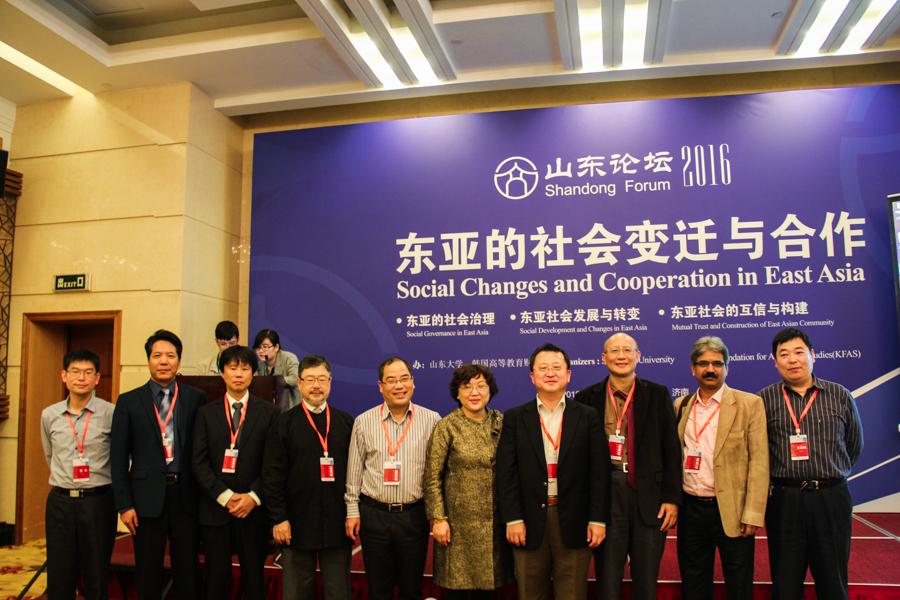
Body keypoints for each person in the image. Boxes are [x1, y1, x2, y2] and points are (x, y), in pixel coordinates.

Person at [496, 343, 609, 600]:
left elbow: (599, 473)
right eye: (543, 368)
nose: (550, 373)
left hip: (575, 518)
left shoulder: (587, 416)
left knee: (572, 592)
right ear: (532, 376)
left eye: (557, 367)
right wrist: (513, 518)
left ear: (568, 375)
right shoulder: (515, 418)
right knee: (530, 592)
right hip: (527, 520)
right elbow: (506, 473)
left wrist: (597, 519)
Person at [574, 332, 681, 600]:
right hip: (606, 495)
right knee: (608, 579)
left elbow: (671, 450)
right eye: (614, 351)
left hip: (649, 497)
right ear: (603, 358)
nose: (621, 356)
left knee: (646, 579)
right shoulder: (587, 397)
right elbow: (579, 455)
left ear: (638, 356)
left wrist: (671, 498)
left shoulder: (657, 394)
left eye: (627, 350)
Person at [759, 327, 863, 600]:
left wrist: (828, 473)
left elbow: (854, 445)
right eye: (784, 354)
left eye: (799, 352)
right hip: (785, 499)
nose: (792, 360)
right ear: (775, 362)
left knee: (833, 579)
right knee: (785, 580)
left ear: (813, 355)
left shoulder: (839, 395)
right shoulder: (764, 400)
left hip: (831, 497)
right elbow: (759, 451)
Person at [110, 329, 206, 600]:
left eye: (170, 356)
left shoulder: (195, 398)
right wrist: (124, 505)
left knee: (187, 570)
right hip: (145, 497)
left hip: (186, 496)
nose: (164, 361)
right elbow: (118, 458)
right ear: (148, 360)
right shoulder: (128, 401)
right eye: (157, 355)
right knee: (148, 569)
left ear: (179, 360)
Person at [674, 336, 769, 600]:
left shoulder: (749, 404)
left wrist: (753, 513)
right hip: (691, 509)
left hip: (732, 509)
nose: (710, 369)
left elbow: (760, 462)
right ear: (693, 369)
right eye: (703, 364)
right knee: (693, 581)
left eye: (717, 363)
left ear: (727, 367)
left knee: (739, 584)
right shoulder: (681, 405)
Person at [344, 357, 440, 600]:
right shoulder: (363, 422)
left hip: (413, 516)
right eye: (391, 380)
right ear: (381, 386)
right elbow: (354, 472)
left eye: (404, 379)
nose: (399, 385)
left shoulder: (432, 420)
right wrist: (352, 511)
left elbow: (437, 473)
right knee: (379, 590)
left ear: (413, 382)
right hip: (374, 516)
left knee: (411, 588)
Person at [263, 355, 355, 600]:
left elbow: (356, 474)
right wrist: (279, 518)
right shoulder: (284, 423)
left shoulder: (346, 422)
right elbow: (272, 474)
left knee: (339, 592)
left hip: (337, 525)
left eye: (322, 379)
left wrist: (353, 513)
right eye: (310, 379)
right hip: (296, 524)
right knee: (296, 593)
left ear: (330, 382)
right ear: (300, 383)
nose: (316, 385)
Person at [192, 345, 279, 600]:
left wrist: (253, 497)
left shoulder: (270, 413)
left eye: (245, 368)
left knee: (254, 581)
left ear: (253, 373)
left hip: (254, 513)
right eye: (232, 368)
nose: (238, 374)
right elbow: (198, 462)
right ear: (222, 373)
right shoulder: (205, 414)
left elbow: (274, 464)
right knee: (216, 582)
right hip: (216, 511)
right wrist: (226, 496)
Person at [424, 364, 512, 599]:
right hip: (457, 529)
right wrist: (439, 518)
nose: (474, 392)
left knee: (490, 591)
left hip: (495, 526)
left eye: (481, 386)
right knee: (459, 590)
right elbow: (432, 477)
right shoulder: (447, 426)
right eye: (466, 387)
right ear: (457, 393)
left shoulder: (501, 422)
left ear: (490, 390)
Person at [40, 349, 117, 600]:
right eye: (75, 372)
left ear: (97, 378)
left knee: (97, 574)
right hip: (60, 503)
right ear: (64, 376)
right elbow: (50, 455)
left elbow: (121, 456)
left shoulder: (111, 413)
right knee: (60, 575)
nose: (81, 378)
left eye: (88, 372)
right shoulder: (49, 415)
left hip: (98, 502)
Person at [252, 328, 300, 411]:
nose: (261, 351)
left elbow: (295, 379)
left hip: (290, 407)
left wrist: (274, 381)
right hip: (268, 408)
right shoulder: (259, 364)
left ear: (276, 347)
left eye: (265, 347)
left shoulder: (289, 358)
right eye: (258, 347)